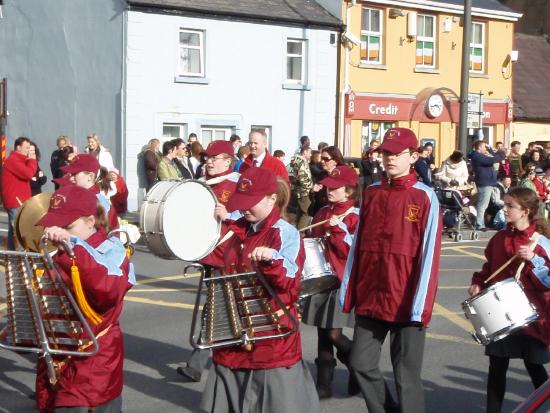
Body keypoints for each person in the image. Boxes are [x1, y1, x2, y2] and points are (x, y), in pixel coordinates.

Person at [199, 167, 319, 413]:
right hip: (232, 337)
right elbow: (212, 261)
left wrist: (272, 259)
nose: (244, 209)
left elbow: (290, 280)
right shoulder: (236, 230)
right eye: (241, 202)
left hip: (270, 342)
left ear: (272, 198)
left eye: (251, 203)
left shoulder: (285, 233)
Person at [341, 127, 442, 413]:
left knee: (406, 376)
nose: (388, 158)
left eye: (396, 153)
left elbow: (429, 255)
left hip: (407, 299)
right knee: (360, 363)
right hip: (371, 296)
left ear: (413, 156)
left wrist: (420, 305)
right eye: (385, 152)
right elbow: (357, 246)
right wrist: (350, 291)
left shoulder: (425, 197)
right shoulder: (371, 193)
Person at [34, 185, 134, 412]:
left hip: (93, 361)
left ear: (91, 222)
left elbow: (108, 292)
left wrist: (73, 251)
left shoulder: (112, 250)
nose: (57, 231)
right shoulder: (58, 251)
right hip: (58, 358)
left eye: (67, 226)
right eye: (54, 224)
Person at [468, 187, 550, 413]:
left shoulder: (541, 243)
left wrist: (534, 260)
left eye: (509, 206)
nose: (503, 209)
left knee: (534, 367)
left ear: (526, 211)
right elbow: (489, 269)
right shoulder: (499, 238)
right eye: (504, 205)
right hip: (500, 310)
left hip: (533, 316)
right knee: (496, 367)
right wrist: (478, 283)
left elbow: (549, 282)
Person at [176, 140, 241, 383]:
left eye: (216, 158)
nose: (210, 162)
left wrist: (229, 215)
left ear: (228, 161)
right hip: (209, 254)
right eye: (208, 158)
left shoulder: (237, 184)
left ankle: (198, 361)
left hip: (229, 256)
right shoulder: (201, 185)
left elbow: (248, 217)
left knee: (218, 306)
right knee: (222, 306)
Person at [301, 165, 359, 399]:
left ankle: (361, 368)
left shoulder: (355, 216)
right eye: (328, 187)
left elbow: (352, 250)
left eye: (335, 188)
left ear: (349, 191)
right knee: (323, 333)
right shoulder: (323, 212)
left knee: (334, 333)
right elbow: (312, 243)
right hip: (320, 279)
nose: (329, 191)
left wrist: (337, 231)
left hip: (340, 280)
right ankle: (324, 384)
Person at [61, 154, 119, 230]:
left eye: (74, 174)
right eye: (70, 174)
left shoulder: (100, 204)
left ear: (90, 177)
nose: (71, 178)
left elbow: (102, 236)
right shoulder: (73, 197)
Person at [1, 137, 37, 250]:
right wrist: (32, 160)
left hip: (18, 201)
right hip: (16, 201)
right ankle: (21, 257)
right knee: (20, 231)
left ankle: (12, 255)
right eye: (26, 148)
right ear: (18, 147)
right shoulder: (13, 160)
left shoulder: (18, 160)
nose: (28, 150)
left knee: (14, 230)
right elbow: (28, 174)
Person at [471, 141, 505, 231]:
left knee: (485, 204)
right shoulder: (477, 156)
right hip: (485, 182)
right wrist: (498, 151)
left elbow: (494, 158)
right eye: (484, 147)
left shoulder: (481, 156)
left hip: (489, 182)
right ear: (479, 147)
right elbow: (493, 160)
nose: (486, 149)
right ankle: (479, 224)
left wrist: (492, 151)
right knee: (483, 204)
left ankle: (480, 222)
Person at [309, 146, 346, 217]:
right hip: (321, 214)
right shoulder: (321, 175)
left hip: (338, 215)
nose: (322, 161)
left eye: (326, 159)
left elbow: (352, 197)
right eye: (322, 158)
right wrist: (313, 192)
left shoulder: (344, 176)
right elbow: (315, 199)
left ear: (335, 161)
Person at [290, 147, 313, 229]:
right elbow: (303, 177)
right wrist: (311, 188)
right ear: (304, 152)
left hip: (299, 190)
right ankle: (301, 232)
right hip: (304, 191)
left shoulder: (297, 161)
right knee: (306, 213)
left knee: (300, 212)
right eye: (309, 152)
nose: (311, 155)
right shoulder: (301, 162)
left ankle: (296, 229)